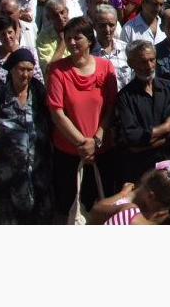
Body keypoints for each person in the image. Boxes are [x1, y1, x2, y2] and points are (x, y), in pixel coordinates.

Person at [46, 17, 118, 222]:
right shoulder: (58, 71)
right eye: (68, 38)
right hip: (69, 154)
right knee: (71, 212)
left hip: (102, 152)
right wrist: (83, 144)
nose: (71, 43)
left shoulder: (106, 67)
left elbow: (111, 106)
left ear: (89, 40)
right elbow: (57, 112)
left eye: (77, 38)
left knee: (103, 209)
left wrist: (97, 139)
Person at [0, 48, 54, 224]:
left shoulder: (40, 93)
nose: (25, 74)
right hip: (7, 176)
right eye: (21, 69)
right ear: (11, 69)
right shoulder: (0, 97)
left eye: (29, 69)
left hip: (38, 173)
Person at [112, 40, 170, 187]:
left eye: (152, 60)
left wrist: (145, 145)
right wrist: (164, 129)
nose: (149, 66)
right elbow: (131, 137)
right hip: (140, 171)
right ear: (131, 63)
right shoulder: (125, 97)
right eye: (143, 62)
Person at [88, 168, 170, 225]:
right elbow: (96, 211)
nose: (160, 212)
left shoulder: (130, 210)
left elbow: (95, 211)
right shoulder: (128, 207)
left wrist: (122, 193)